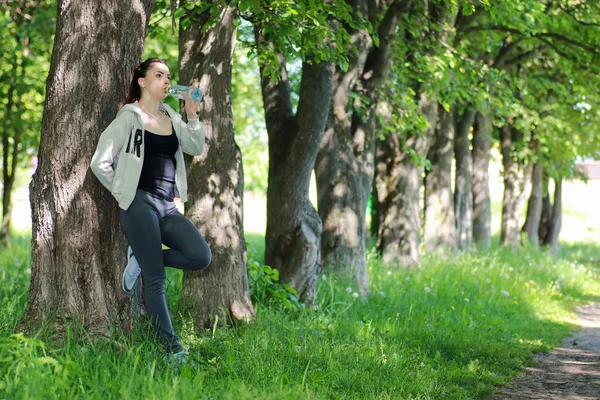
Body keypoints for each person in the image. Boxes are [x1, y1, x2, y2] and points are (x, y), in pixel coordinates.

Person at [90, 58, 211, 358]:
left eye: (168, 76)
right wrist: (124, 193)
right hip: (139, 203)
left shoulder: (170, 114)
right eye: (158, 75)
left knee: (200, 256)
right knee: (156, 281)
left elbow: (195, 147)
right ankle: (173, 352)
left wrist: (192, 114)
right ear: (143, 82)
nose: (166, 80)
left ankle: (142, 260)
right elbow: (99, 162)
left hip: (167, 206)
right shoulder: (129, 118)